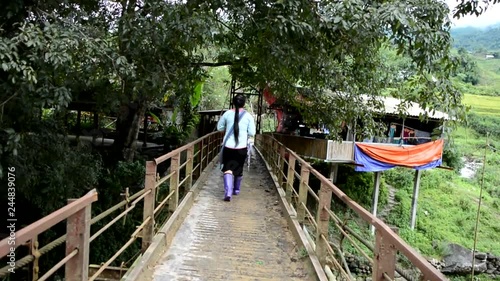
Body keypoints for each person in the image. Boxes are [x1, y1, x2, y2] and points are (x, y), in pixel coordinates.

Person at [217, 94, 256, 201]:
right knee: (238, 170)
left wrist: (227, 126)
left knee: (227, 169)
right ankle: (236, 190)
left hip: (228, 147)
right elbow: (252, 132)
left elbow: (219, 128)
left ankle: (228, 192)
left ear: (233, 102)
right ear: (244, 104)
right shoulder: (248, 116)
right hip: (241, 148)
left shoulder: (227, 114)